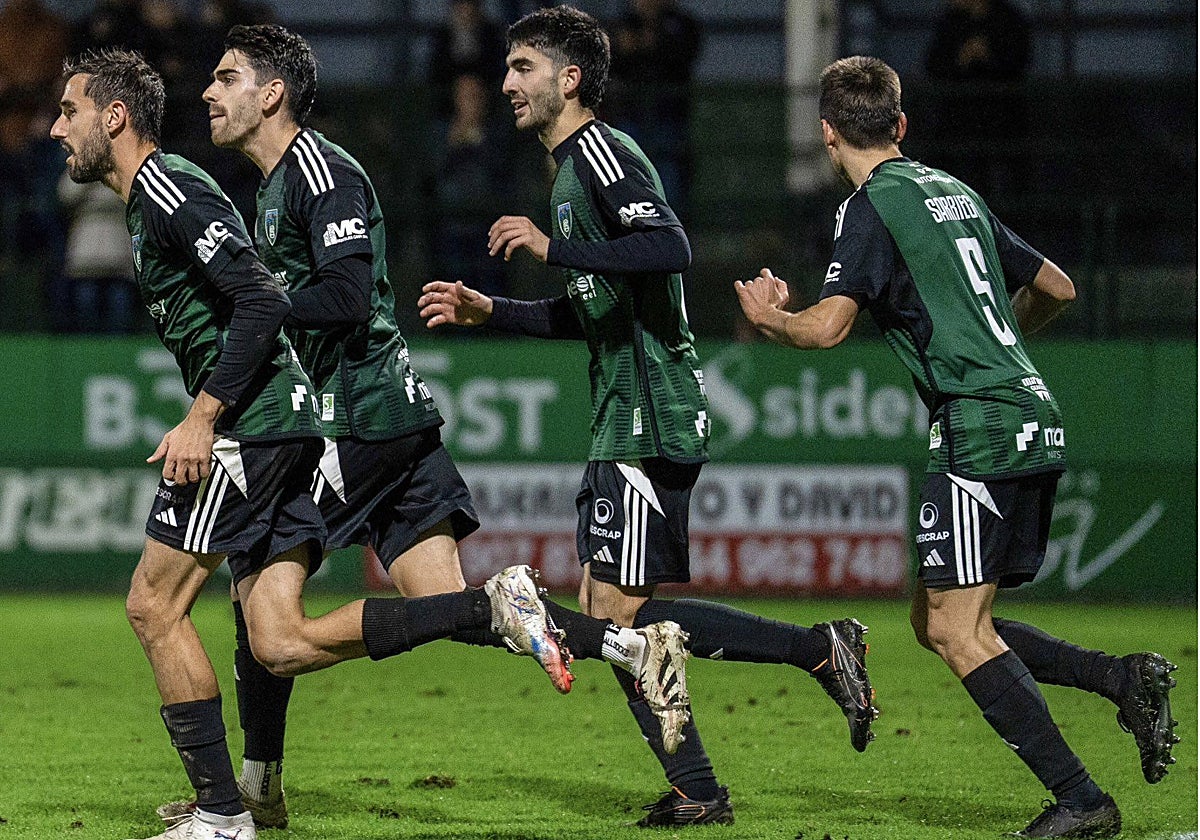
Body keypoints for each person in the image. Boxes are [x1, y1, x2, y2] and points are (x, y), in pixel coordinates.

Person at [148, 24, 694, 831]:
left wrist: (253, 311)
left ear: (271, 95)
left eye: (225, 78)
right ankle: (636, 649)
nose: (207, 93)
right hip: (396, 422)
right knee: (445, 604)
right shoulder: (268, 190)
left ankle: (250, 796)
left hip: (350, 419)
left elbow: (344, 295)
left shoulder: (320, 171)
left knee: (266, 620)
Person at [52, 48, 581, 840]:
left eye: (69, 112)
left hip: (257, 427)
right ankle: (253, 790)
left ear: (114, 117)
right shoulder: (166, 199)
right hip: (286, 422)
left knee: (154, 604)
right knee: (276, 639)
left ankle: (223, 815)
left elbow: (262, 300)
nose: (56, 129)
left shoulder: (169, 189)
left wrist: (205, 416)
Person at [419, 6, 879, 827]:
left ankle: (812, 658)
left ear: (569, 80)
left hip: (647, 418)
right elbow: (592, 309)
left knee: (617, 619)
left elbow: (669, 247)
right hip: (621, 417)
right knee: (612, 614)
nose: (506, 83)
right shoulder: (567, 176)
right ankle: (706, 779)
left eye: (523, 67)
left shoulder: (600, 151)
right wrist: (497, 311)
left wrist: (552, 250)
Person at [734, 55, 1179, 839]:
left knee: (954, 629)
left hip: (978, 425)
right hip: (1032, 412)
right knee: (937, 616)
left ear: (828, 133)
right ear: (901, 125)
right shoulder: (954, 191)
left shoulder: (868, 208)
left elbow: (830, 327)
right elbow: (1059, 287)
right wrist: (1001, 339)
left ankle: (1081, 800)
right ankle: (1121, 678)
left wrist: (770, 317)